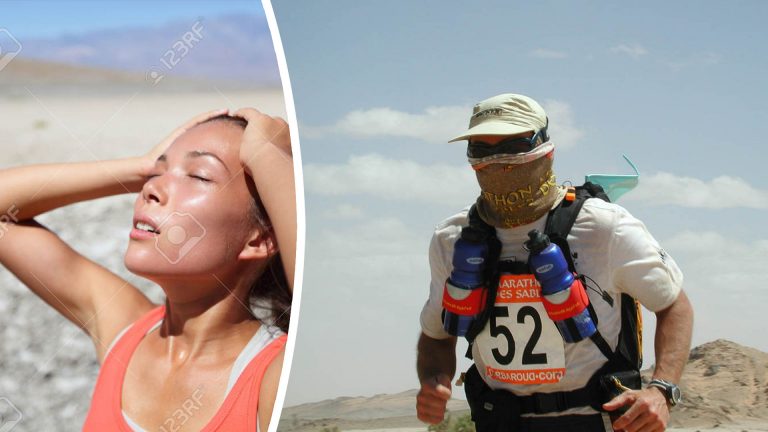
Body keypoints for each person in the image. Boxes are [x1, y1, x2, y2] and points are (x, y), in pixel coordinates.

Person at [0, 108, 296, 431]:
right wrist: (140, 167)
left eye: (198, 175)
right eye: (157, 175)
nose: (150, 190)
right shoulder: (125, 332)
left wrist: (269, 154)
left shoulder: (271, 377)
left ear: (261, 239)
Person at [416, 94, 693, 432]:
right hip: (499, 421)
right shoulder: (451, 238)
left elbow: (673, 305)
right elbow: (436, 335)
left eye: (513, 145)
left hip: (599, 421)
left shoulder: (605, 227)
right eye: (482, 149)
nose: (497, 161)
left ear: (546, 150)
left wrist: (662, 389)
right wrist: (435, 379)